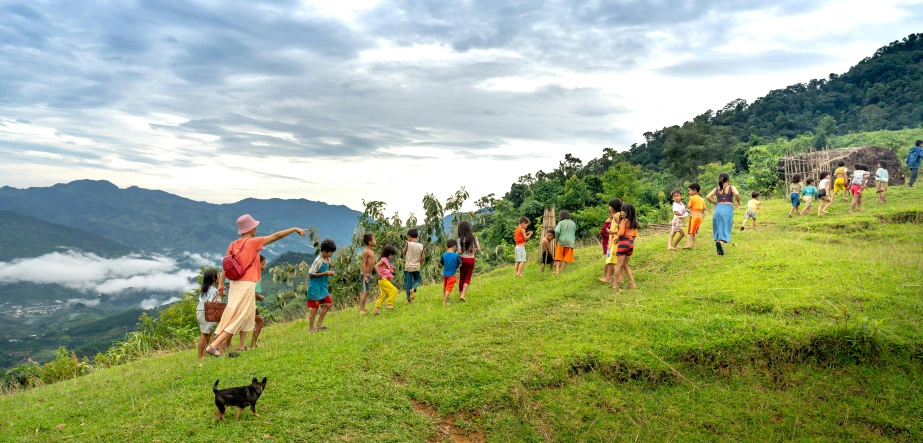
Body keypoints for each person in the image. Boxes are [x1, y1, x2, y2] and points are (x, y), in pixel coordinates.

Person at [206, 215, 305, 357]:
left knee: (234, 314)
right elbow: (276, 236)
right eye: (255, 226)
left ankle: (223, 345)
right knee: (239, 317)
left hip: (233, 285)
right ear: (251, 228)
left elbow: (226, 267)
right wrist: (294, 229)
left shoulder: (233, 244)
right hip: (246, 285)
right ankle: (214, 346)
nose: (256, 228)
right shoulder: (253, 243)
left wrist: (221, 284)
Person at [705, 172, 741, 256]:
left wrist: (715, 203)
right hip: (727, 209)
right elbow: (737, 194)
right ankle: (720, 243)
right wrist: (738, 202)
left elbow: (707, 197)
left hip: (718, 209)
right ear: (728, 179)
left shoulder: (716, 189)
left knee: (718, 228)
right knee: (726, 227)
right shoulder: (731, 187)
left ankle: (718, 251)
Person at [307, 239, 336, 332]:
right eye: (330, 252)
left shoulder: (327, 259)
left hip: (322, 287)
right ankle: (310, 328)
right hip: (315, 288)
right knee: (315, 308)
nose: (331, 254)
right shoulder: (318, 261)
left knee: (329, 303)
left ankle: (319, 323)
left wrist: (328, 273)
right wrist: (325, 273)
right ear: (324, 251)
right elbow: (310, 274)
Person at [196, 269, 224, 359]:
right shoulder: (213, 290)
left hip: (200, 311)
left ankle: (203, 353)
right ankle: (201, 356)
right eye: (218, 276)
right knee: (204, 335)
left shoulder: (204, 289)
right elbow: (215, 302)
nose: (220, 278)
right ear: (214, 278)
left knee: (207, 333)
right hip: (206, 311)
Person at [612, 203, 639, 290]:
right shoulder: (633, 222)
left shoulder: (624, 221)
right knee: (625, 265)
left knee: (618, 265)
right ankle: (632, 283)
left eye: (623, 211)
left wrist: (616, 234)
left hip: (623, 243)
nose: (621, 213)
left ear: (628, 212)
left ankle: (614, 285)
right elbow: (632, 234)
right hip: (631, 243)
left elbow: (621, 233)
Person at [243, 255, 267, 349]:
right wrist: (260, 297)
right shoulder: (257, 276)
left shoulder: (249, 273)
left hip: (244, 302)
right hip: (250, 304)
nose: (265, 266)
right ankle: (253, 343)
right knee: (260, 321)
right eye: (263, 264)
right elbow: (254, 293)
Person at [457, 221, 480, 302]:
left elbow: (459, 251)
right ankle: (463, 294)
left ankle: (460, 293)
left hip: (463, 259)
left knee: (462, 277)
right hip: (471, 259)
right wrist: (473, 249)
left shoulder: (460, 239)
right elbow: (478, 249)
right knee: (468, 277)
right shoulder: (474, 238)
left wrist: (463, 250)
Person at [600, 199, 622, 282]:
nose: (609, 208)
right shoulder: (618, 215)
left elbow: (622, 227)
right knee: (610, 259)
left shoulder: (616, 216)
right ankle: (610, 277)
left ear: (613, 207)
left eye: (610, 206)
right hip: (612, 241)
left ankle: (608, 277)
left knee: (610, 259)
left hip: (614, 241)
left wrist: (613, 232)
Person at [373, 245, 398, 314]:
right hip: (383, 280)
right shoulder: (384, 260)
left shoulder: (385, 260)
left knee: (383, 295)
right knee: (394, 290)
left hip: (382, 281)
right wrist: (379, 274)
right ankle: (389, 304)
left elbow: (384, 268)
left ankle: (376, 309)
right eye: (392, 255)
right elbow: (376, 266)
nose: (392, 256)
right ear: (389, 254)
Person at [402, 229, 425, 302]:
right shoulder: (421, 245)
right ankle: (413, 288)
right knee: (418, 278)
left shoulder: (408, 244)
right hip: (416, 266)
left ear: (409, 237)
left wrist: (407, 244)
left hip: (408, 267)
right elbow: (423, 257)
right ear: (417, 236)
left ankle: (409, 299)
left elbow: (404, 252)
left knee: (408, 282)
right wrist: (420, 263)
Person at [682, 184, 706, 250]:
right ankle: (694, 246)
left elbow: (689, 206)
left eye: (689, 190)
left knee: (689, 231)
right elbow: (704, 208)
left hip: (693, 216)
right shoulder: (701, 199)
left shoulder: (692, 198)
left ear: (695, 190)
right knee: (695, 232)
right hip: (699, 217)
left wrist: (686, 210)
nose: (688, 192)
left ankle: (688, 244)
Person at [553, 210, 576, 274]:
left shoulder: (561, 223)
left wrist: (557, 238)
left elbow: (557, 231)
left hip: (561, 241)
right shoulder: (573, 223)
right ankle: (561, 271)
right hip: (570, 242)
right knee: (566, 257)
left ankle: (557, 271)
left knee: (558, 256)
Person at [440, 239, 462, 306]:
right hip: (451, 275)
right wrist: (456, 266)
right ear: (455, 246)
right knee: (448, 289)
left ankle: (445, 297)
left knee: (445, 286)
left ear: (446, 246)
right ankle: (444, 302)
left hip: (444, 274)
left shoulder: (443, 255)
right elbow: (460, 264)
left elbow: (441, 264)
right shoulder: (456, 256)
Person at [359, 233, 376, 314]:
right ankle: (361, 309)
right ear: (370, 242)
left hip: (369, 274)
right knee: (365, 292)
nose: (375, 241)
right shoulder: (366, 251)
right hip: (365, 275)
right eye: (374, 239)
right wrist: (365, 276)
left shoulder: (371, 250)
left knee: (367, 292)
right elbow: (363, 263)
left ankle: (363, 308)